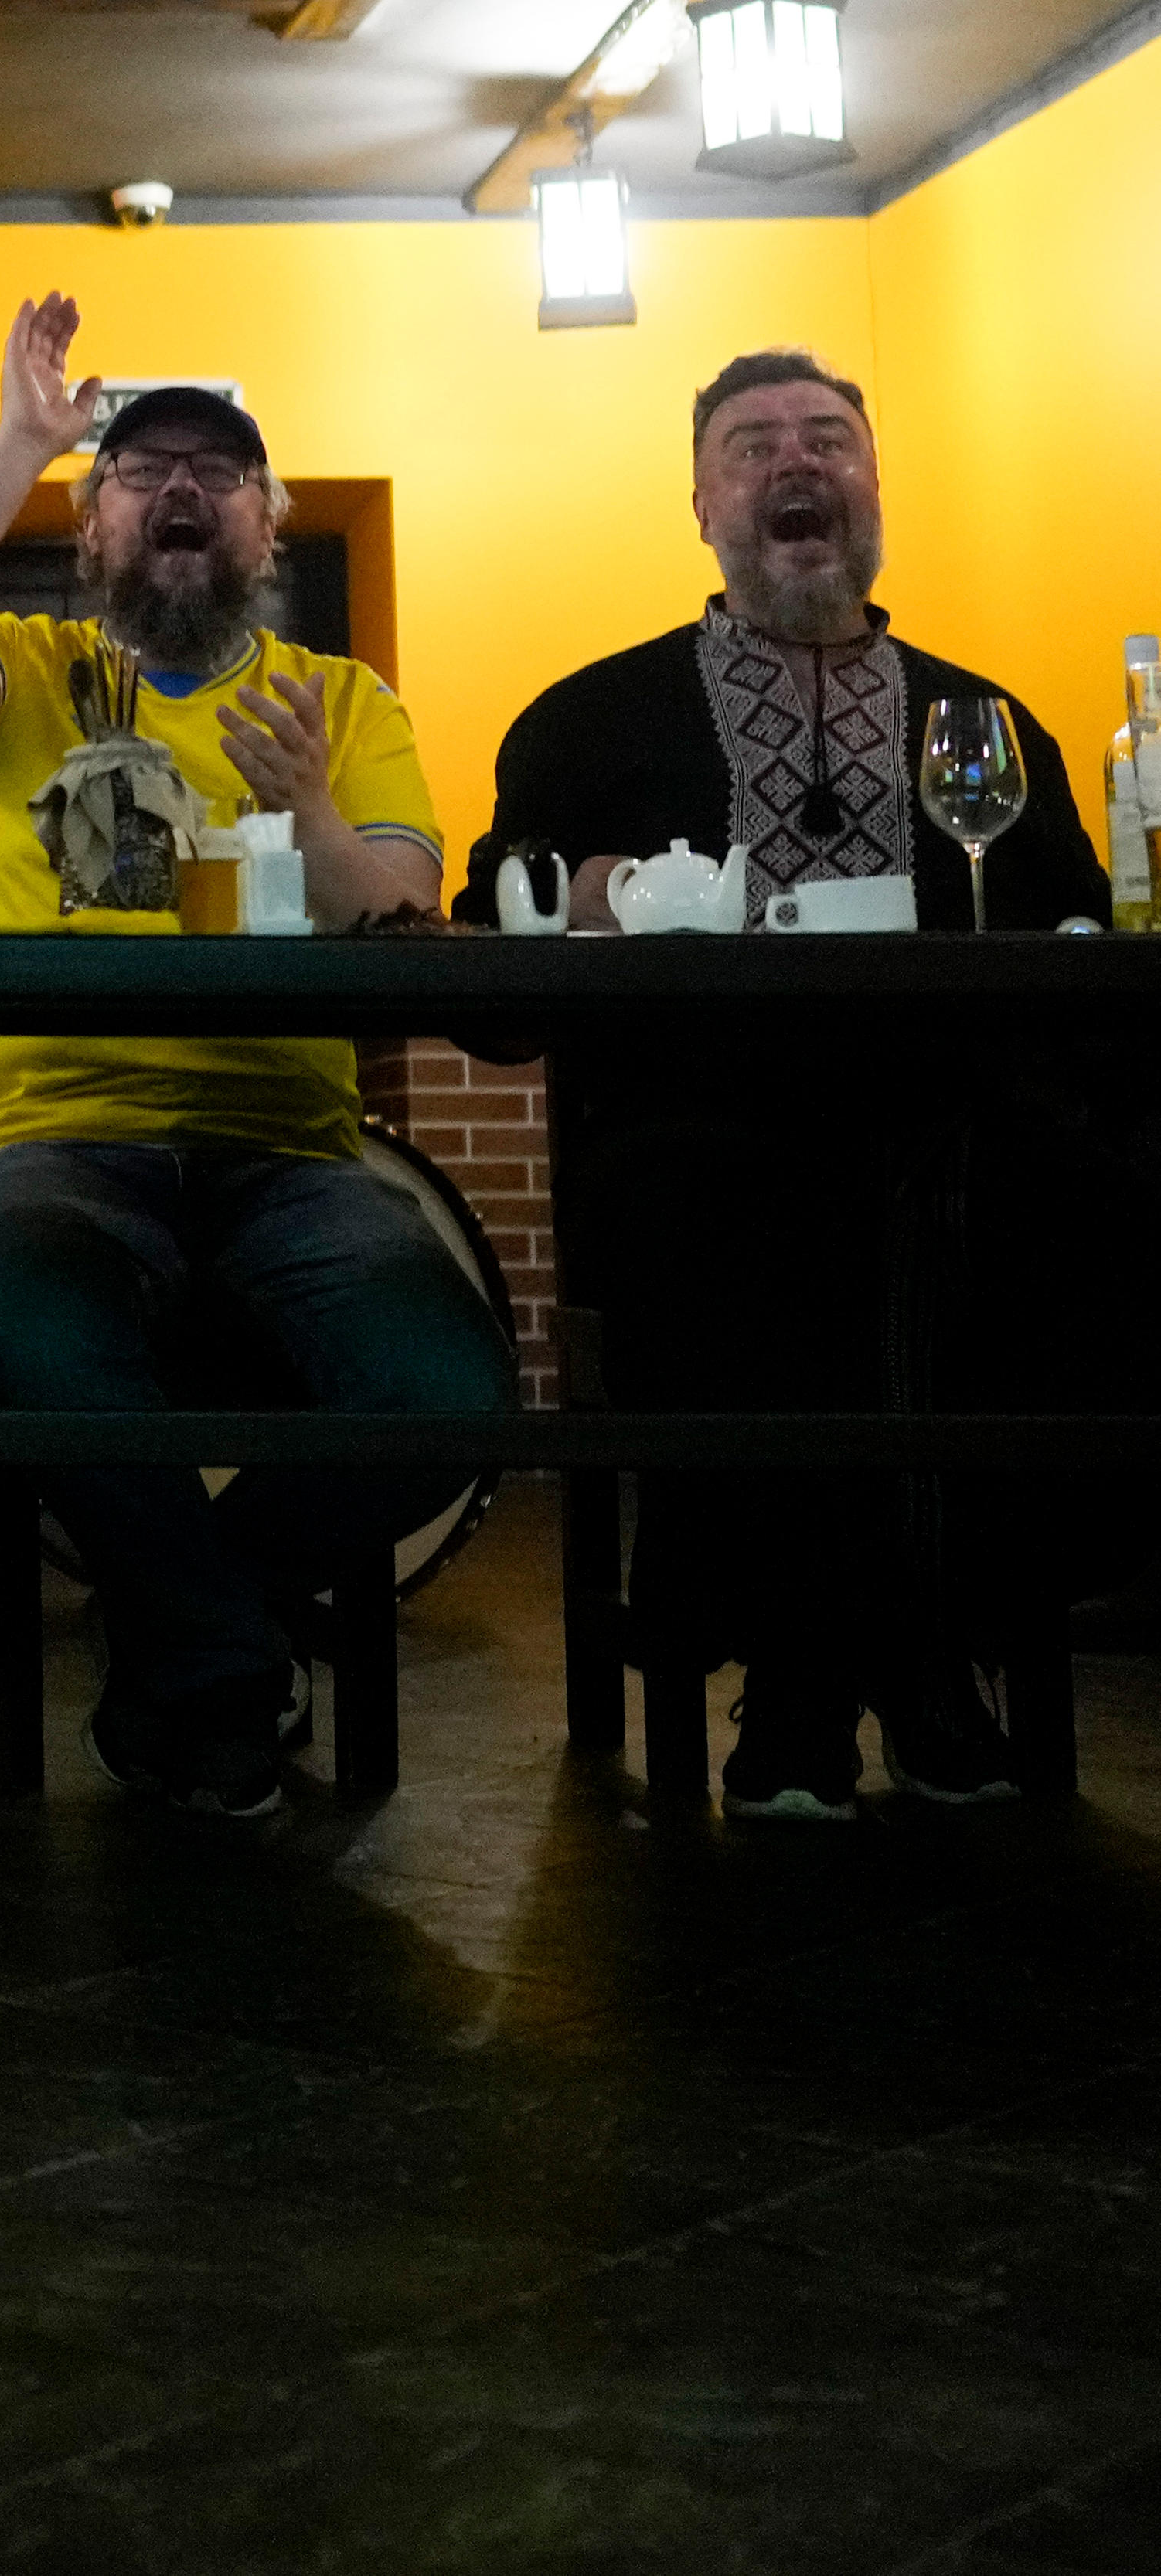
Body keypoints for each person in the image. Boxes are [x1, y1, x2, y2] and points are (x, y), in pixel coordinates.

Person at [0, 293, 516, 1821]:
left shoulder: (343, 702)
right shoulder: (19, 670)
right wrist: (18, 442)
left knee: (449, 1388)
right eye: (143, 472)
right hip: (53, 1138)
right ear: (91, 526)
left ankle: (186, 1638)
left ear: (268, 522)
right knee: (42, 1310)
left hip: (290, 1152)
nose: (182, 490)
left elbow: (402, 922)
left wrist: (312, 811)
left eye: (220, 470)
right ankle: (217, 1663)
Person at [467, 347, 1142, 1819]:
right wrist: (596, 893)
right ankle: (817, 1676)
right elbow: (498, 943)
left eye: (828, 439)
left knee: (1049, 1208)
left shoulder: (984, 721)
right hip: (695, 1140)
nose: (796, 463)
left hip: (951, 1141)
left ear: (874, 486)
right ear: (702, 505)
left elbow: (1077, 940)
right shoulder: (593, 717)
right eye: (754, 444)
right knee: (752, 1222)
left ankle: (921, 1651)